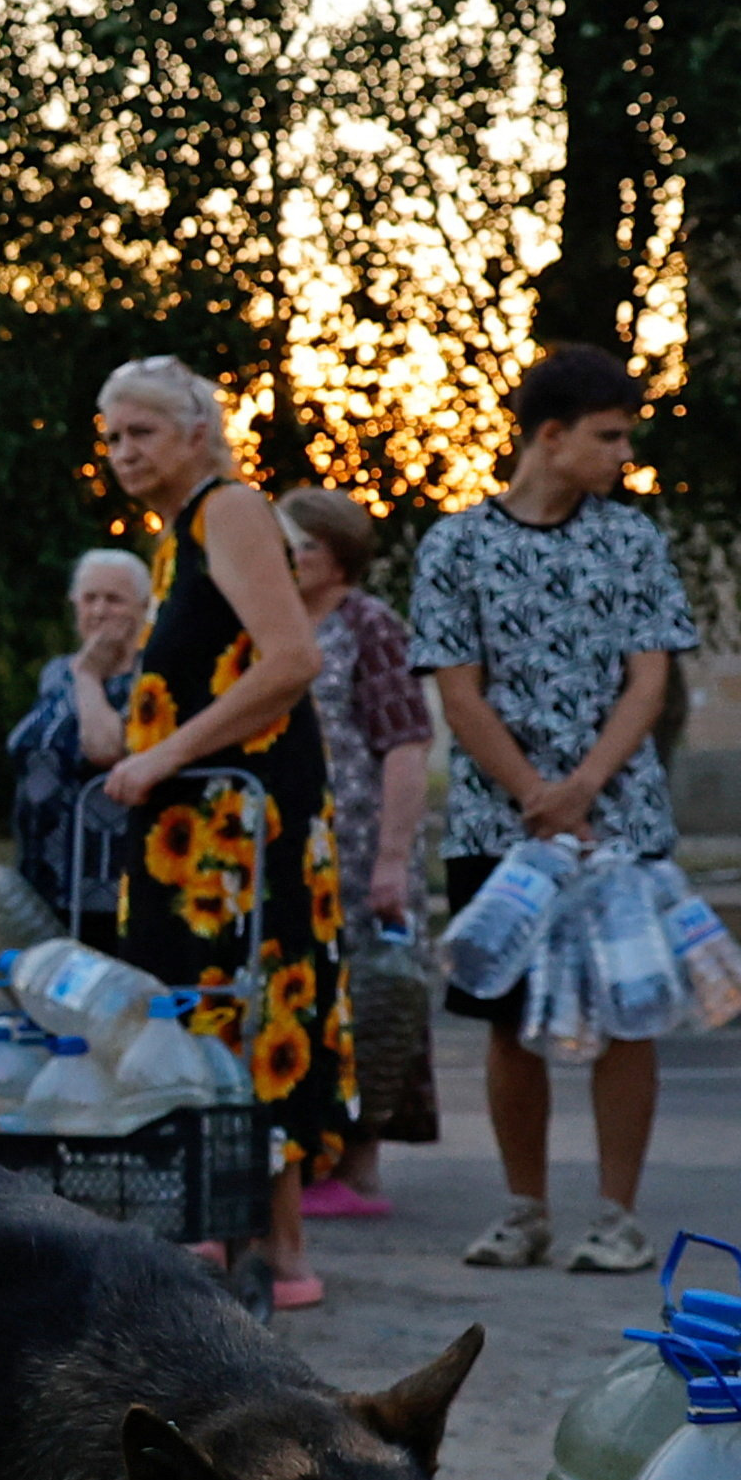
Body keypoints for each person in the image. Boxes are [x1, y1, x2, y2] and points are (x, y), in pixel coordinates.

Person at [404, 342, 699, 1274]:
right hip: (502, 824)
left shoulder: (632, 539)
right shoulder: (456, 544)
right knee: (506, 1016)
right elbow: (458, 690)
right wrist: (533, 792)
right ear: (550, 434)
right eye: (609, 436)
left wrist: (581, 788)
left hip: (620, 821)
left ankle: (616, 1214)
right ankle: (523, 1205)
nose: (622, 454)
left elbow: (648, 680)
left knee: (628, 1010)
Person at [88, 355, 345, 1311]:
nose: (120, 453)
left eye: (139, 432)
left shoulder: (228, 508)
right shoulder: (176, 534)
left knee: (241, 1000)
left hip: (239, 819)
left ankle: (270, 1245)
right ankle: (247, 1235)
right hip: (196, 826)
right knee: (207, 1008)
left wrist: (162, 759)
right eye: (110, 438)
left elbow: (291, 659)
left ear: (196, 430)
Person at [281, 487, 435, 1217]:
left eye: (301, 544)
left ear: (336, 554)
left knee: (374, 998)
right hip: (297, 855)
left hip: (363, 851)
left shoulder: (369, 626)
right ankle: (314, 1161)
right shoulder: (276, 625)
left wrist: (392, 860)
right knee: (310, 1002)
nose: (288, 557)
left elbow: (405, 744)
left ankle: (360, 1162)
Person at [3, 545, 153, 933]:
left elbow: (104, 749)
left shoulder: (149, 676)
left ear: (143, 606)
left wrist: (89, 677)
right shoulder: (57, 673)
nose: (100, 611)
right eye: (89, 598)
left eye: (114, 600)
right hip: (43, 876)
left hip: (107, 884)